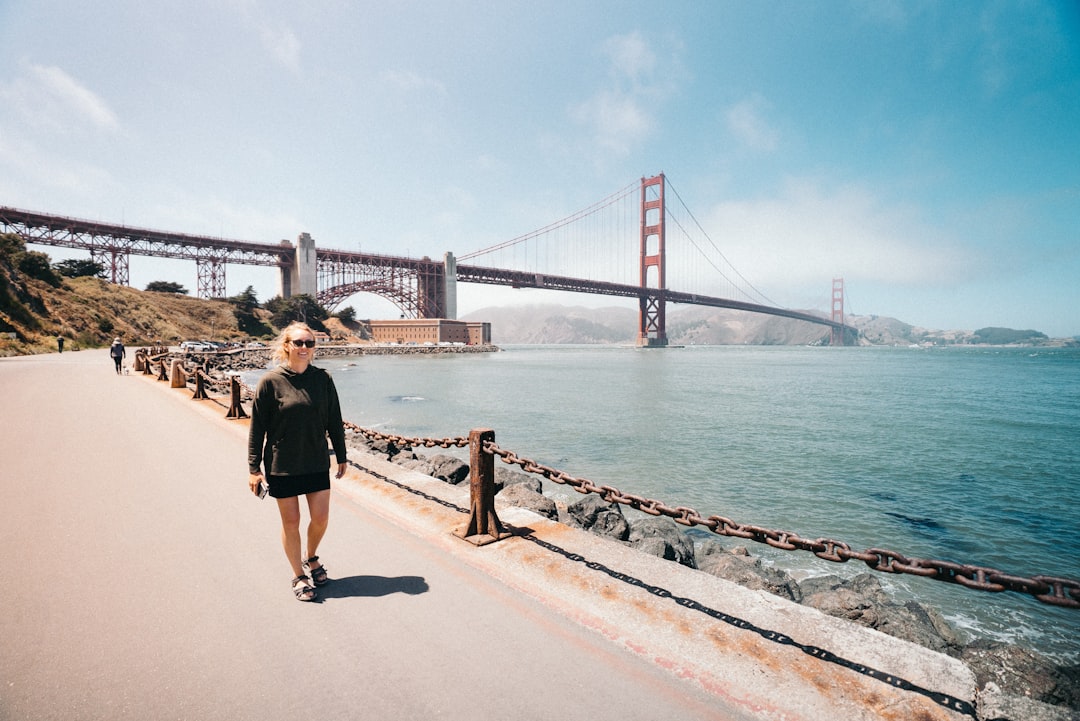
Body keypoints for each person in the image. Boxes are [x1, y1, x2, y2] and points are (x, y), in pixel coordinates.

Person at [247, 322, 348, 602]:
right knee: (291, 522)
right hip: (283, 463)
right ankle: (299, 575)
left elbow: (334, 420)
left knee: (321, 518)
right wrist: (254, 469)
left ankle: (311, 555)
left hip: (316, 459)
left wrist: (341, 454)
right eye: (299, 343)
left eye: (309, 343)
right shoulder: (271, 381)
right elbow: (258, 428)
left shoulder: (323, 379)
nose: (304, 348)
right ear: (287, 345)